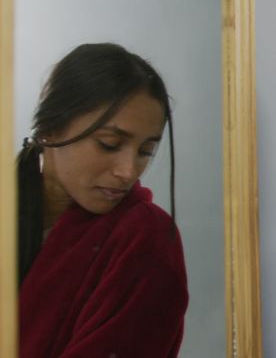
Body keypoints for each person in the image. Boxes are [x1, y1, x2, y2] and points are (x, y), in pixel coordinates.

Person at [17, 43, 189, 358]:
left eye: (145, 151)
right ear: (52, 129)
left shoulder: (144, 239)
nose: (129, 171)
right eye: (109, 144)